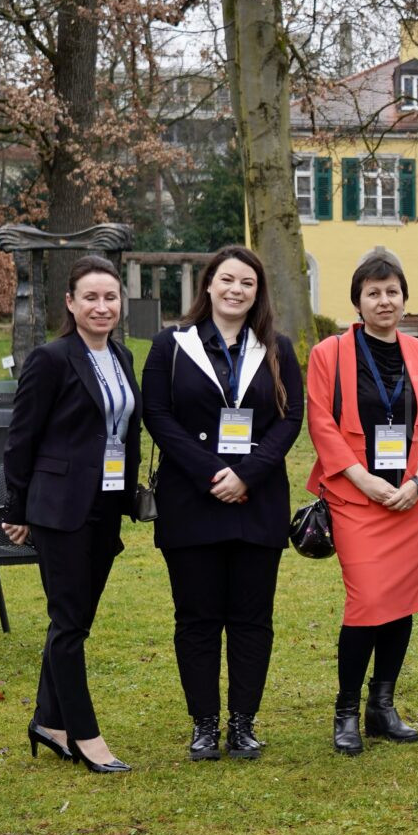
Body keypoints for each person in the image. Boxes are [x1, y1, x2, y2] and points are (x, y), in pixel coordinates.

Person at [142, 245, 304, 762]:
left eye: (247, 283)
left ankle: (243, 724)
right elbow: (157, 415)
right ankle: (204, 724)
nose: (236, 290)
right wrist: (214, 472)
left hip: (256, 502)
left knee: (253, 618)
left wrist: (247, 474)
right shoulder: (172, 345)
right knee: (196, 617)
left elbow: (290, 419)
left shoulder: (275, 347)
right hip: (192, 500)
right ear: (208, 284)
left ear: (258, 293)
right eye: (227, 280)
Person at [306, 249, 418, 756]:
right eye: (374, 293)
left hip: (411, 499)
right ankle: (346, 710)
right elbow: (321, 422)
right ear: (358, 301)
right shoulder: (329, 353)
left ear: (403, 298)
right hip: (356, 497)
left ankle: (382, 705)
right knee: (367, 601)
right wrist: (362, 480)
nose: (384, 300)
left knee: (402, 601)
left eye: (392, 292)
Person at [2, 255, 140, 774]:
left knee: (75, 621)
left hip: (106, 507)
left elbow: (127, 431)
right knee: (68, 623)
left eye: (109, 297)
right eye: (91, 297)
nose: (101, 306)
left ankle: (47, 720)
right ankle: (86, 736)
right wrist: (17, 510)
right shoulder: (51, 359)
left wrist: (129, 495)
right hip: (59, 510)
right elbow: (22, 440)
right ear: (70, 303)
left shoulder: (123, 357)